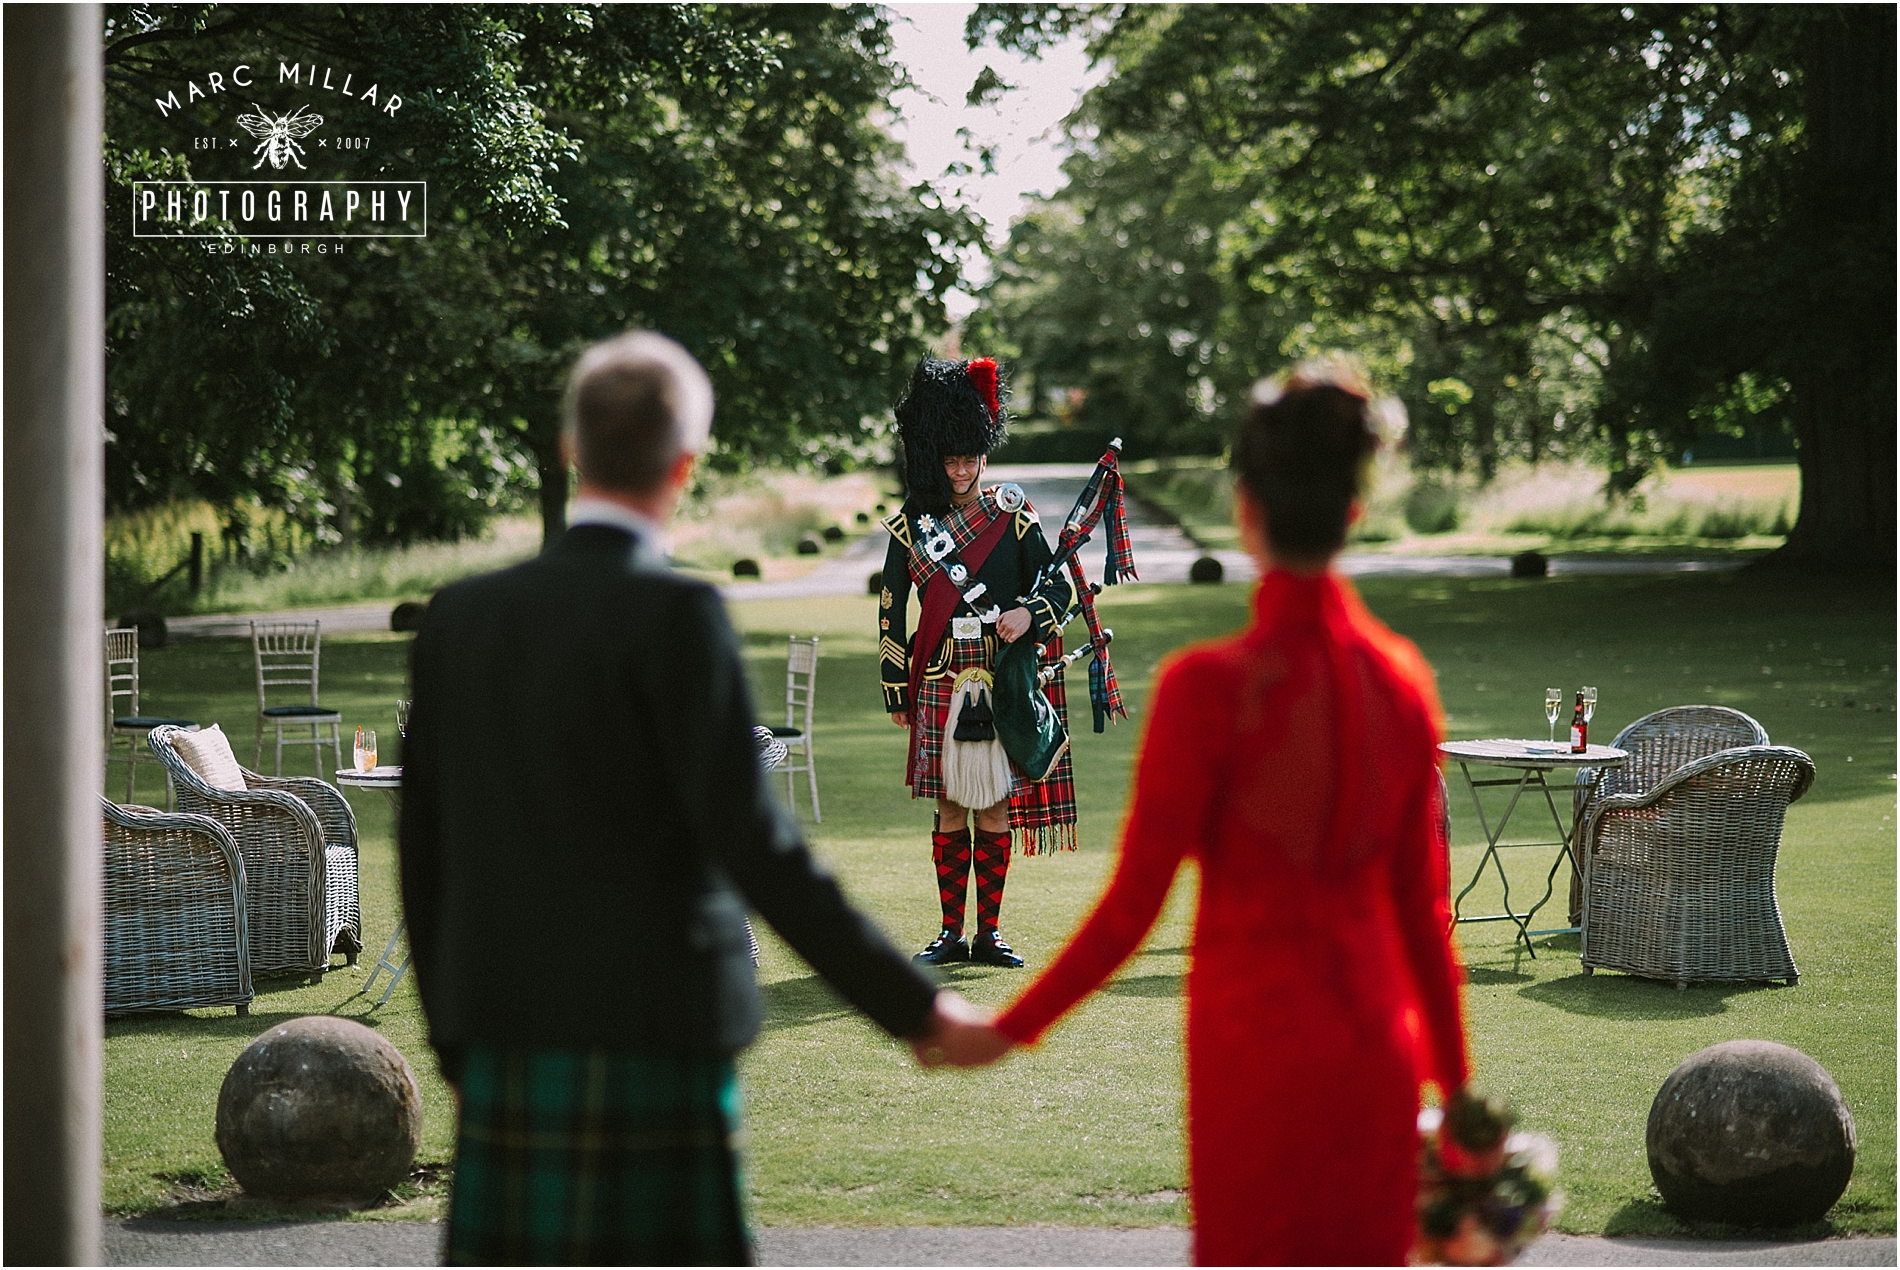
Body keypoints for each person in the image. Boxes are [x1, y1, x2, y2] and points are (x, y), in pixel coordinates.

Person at [399, 330, 992, 1266]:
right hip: (661, 1036)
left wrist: (454, 1038)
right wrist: (916, 1011)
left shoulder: (460, 621)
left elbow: (423, 855)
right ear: (685, 466)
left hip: (506, 1036)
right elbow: (757, 847)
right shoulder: (679, 616)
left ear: (568, 449)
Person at [939, 362, 1472, 1265]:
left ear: (1244, 509)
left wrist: (1007, 1029)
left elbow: (1131, 908)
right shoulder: (1402, 684)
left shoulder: (1208, 691)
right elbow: (1426, 922)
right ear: (1354, 511)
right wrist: (1460, 1108)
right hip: (1375, 1051)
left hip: (1250, 1049)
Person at [877, 355, 1078, 968]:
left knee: (992, 804)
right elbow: (891, 611)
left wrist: (1029, 614)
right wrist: (897, 691)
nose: (961, 469)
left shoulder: (1014, 517)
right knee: (949, 804)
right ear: (934, 456)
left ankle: (988, 933)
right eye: (951, 458)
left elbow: (1064, 587)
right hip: (939, 680)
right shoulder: (912, 524)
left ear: (985, 454)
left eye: (971, 457)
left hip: (997, 683)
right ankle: (949, 932)